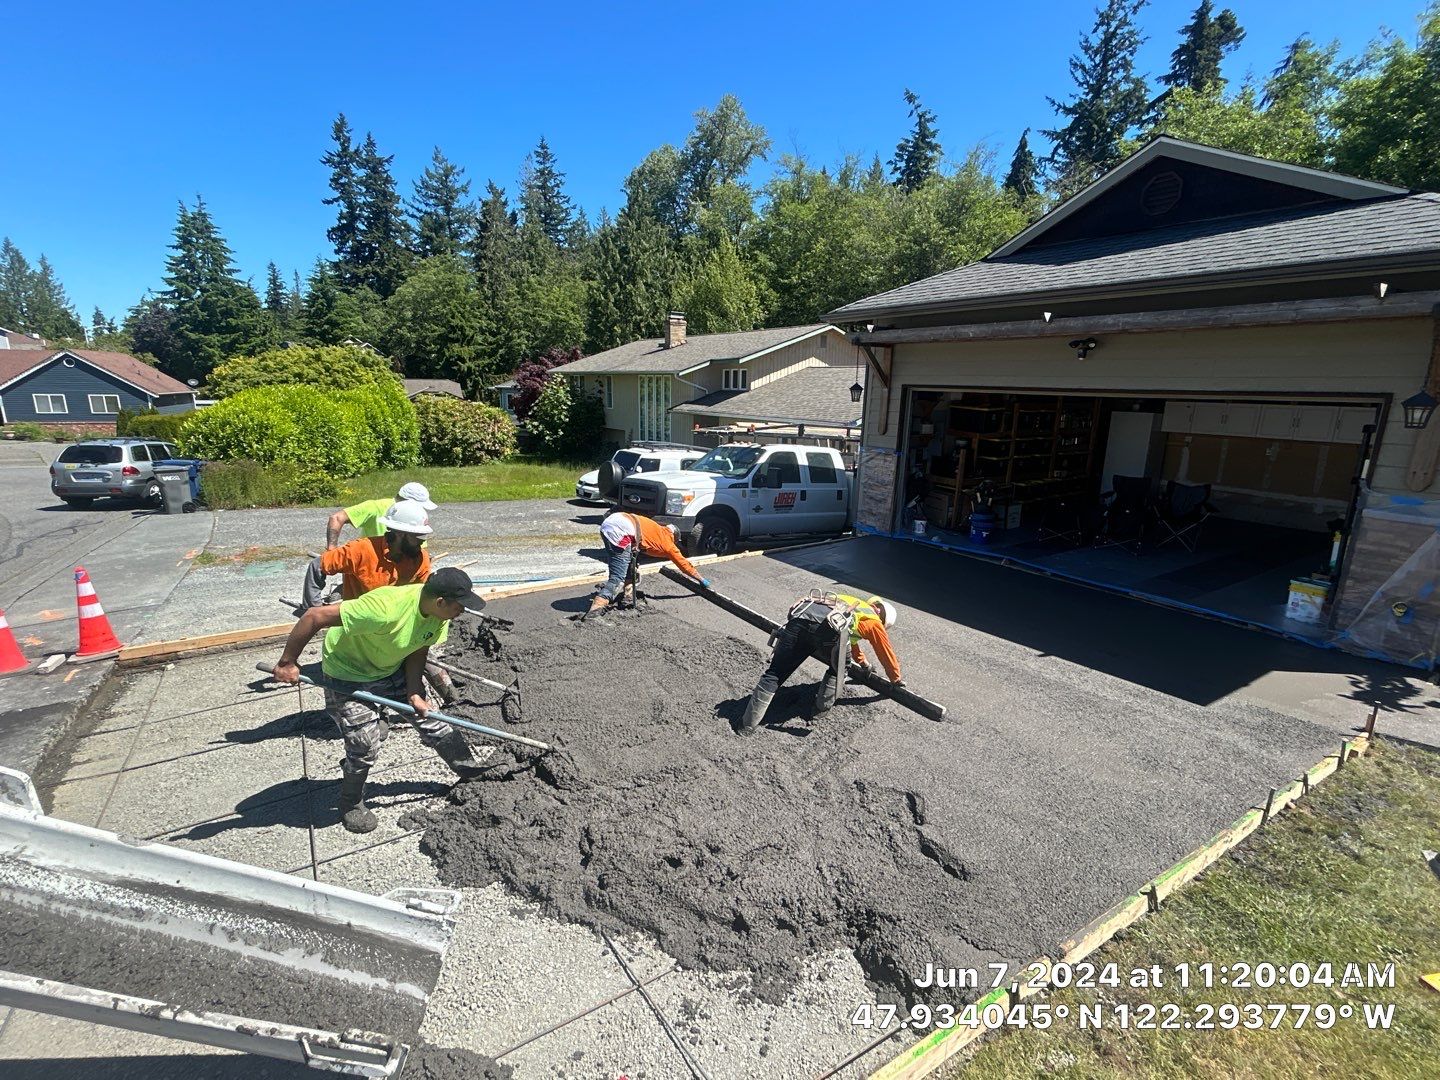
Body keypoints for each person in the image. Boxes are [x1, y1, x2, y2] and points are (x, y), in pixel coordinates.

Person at [271, 567, 489, 834]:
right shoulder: (384, 608)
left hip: (388, 666)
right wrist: (288, 662)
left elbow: (419, 648)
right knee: (364, 744)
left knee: (432, 720)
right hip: (347, 674)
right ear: (441, 601)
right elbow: (314, 616)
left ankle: (469, 769)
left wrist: (414, 692)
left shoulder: (438, 615)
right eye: (459, 606)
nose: (462, 611)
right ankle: (351, 802)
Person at [738, 591, 903, 737]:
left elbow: (851, 643)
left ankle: (746, 725)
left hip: (800, 619)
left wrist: (864, 664)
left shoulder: (852, 605)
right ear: (883, 619)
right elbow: (885, 652)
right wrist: (895, 678)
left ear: (876, 605)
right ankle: (819, 710)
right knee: (838, 668)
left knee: (775, 673)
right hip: (828, 631)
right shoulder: (874, 622)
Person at [303, 501, 432, 609]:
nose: (422, 541)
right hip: (357, 623)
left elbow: (420, 599)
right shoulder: (361, 550)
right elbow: (317, 566)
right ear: (400, 534)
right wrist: (314, 609)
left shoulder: (421, 559)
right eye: (418, 536)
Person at [585, 511, 710, 616]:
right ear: (675, 537)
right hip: (621, 531)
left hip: (612, 522)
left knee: (630, 566)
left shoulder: (655, 528)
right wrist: (701, 579)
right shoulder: (668, 543)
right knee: (618, 578)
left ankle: (628, 597)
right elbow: (684, 564)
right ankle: (596, 609)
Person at [326, 482, 437, 549]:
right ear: (408, 502)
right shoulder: (375, 507)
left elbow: (420, 546)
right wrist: (332, 549)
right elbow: (336, 518)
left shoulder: (416, 514)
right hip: (369, 563)